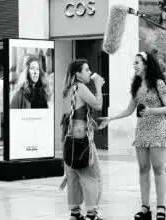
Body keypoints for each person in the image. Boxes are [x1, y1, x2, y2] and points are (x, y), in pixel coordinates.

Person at [98, 51, 166, 220]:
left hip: (158, 129)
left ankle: (161, 207)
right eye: (133, 63)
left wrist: (150, 111)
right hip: (141, 131)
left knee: (158, 169)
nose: (134, 66)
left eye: (137, 63)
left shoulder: (159, 83)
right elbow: (129, 110)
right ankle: (145, 207)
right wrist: (110, 119)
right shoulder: (136, 85)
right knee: (143, 169)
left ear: (146, 64)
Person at [61, 59, 105, 220]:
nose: (89, 72)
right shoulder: (80, 87)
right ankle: (92, 213)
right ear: (77, 74)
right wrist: (99, 86)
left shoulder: (67, 89)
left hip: (69, 139)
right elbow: (98, 105)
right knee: (92, 175)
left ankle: (75, 212)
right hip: (82, 140)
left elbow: (70, 117)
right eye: (86, 70)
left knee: (73, 176)